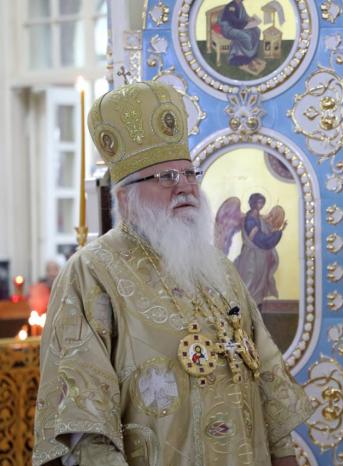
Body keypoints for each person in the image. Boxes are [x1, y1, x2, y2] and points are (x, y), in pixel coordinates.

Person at [33, 81, 311, 466]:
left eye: (189, 173)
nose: (185, 187)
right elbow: (85, 426)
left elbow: (269, 382)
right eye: (165, 177)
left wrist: (284, 457)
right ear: (125, 196)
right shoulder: (92, 273)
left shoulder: (218, 269)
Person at [234, 193, 286, 308]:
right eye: (259, 202)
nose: (261, 205)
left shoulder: (259, 218)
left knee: (259, 286)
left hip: (260, 257)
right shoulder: (250, 220)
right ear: (253, 203)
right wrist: (278, 233)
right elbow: (260, 240)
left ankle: (256, 310)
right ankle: (247, 309)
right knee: (250, 282)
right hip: (252, 257)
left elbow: (266, 230)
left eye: (262, 202)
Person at [219, 0, 265, 72]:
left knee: (257, 30)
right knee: (245, 37)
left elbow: (244, 16)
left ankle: (252, 54)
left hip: (240, 25)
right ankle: (245, 57)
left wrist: (251, 19)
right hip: (229, 28)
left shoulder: (240, 5)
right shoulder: (231, 7)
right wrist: (246, 23)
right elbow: (234, 22)